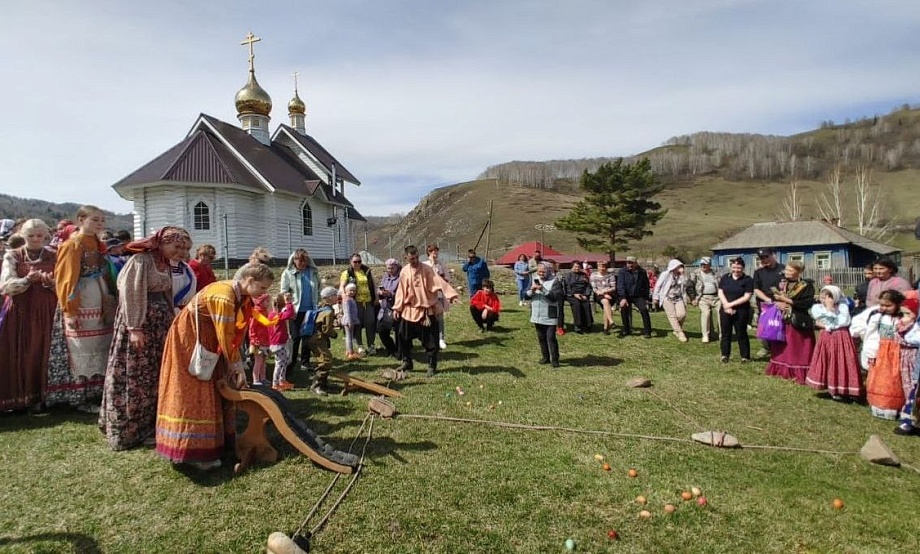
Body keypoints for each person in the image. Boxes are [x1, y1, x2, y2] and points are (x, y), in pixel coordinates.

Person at [155, 264, 273, 470]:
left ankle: (215, 443)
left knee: (213, 388)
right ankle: (193, 452)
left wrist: (234, 363)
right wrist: (236, 365)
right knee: (194, 393)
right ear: (250, 281)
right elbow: (226, 335)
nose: (264, 293)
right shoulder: (224, 296)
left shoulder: (240, 297)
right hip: (190, 344)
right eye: (262, 288)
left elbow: (233, 333)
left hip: (209, 344)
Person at [99, 226, 190, 450]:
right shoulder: (141, 261)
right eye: (177, 246)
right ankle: (130, 429)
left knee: (155, 374)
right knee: (136, 373)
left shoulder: (165, 264)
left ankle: (152, 424)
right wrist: (134, 327)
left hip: (160, 327)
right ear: (162, 242)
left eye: (185, 249)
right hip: (140, 325)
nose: (181, 252)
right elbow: (131, 293)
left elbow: (167, 295)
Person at [46, 205, 116, 412]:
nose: (100, 224)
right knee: (81, 347)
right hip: (82, 297)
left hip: (99, 296)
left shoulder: (97, 244)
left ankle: (97, 392)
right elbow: (66, 279)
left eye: (102, 220)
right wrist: (70, 310)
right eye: (95, 220)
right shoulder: (73, 245)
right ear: (81, 220)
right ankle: (80, 395)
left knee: (99, 343)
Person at [0, 219, 56, 412]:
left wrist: (50, 282)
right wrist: (26, 280)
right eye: (31, 236)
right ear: (23, 236)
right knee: (22, 351)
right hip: (21, 310)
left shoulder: (54, 255)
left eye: (39, 235)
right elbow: (5, 285)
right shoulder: (13, 255)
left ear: (46, 235)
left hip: (47, 310)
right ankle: (20, 397)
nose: (35, 239)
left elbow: (67, 284)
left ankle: (44, 397)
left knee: (44, 350)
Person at [392, 245, 459, 377]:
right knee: (402, 337)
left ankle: (431, 365)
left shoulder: (427, 269)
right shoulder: (405, 271)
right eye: (412, 259)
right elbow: (401, 291)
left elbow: (439, 282)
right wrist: (397, 308)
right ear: (406, 258)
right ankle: (407, 362)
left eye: (417, 257)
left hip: (426, 312)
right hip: (409, 310)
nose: (415, 260)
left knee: (431, 341)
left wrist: (451, 295)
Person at [851, 290, 915, 420]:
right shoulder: (878, 317)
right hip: (882, 352)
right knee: (880, 379)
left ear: (897, 304)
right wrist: (870, 352)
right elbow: (872, 335)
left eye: (888, 305)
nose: (884, 308)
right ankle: (880, 406)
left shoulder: (903, 318)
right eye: (882, 305)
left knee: (895, 379)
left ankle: (896, 406)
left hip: (898, 352)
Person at [805, 285, 862, 401]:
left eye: (828, 297)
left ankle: (845, 388)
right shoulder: (817, 307)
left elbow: (841, 322)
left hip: (841, 336)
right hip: (826, 338)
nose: (825, 299)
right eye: (822, 296)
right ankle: (831, 387)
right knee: (829, 360)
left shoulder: (843, 307)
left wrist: (830, 311)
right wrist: (828, 315)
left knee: (842, 360)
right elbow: (820, 320)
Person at [764, 261, 816, 385]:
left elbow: (807, 303)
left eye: (790, 270)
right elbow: (772, 296)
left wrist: (788, 302)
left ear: (799, 271)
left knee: (796, 347)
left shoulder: (806, 285)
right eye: (786, 269)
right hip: (783, 319)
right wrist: (778, 303)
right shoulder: (782, 283)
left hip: (798, 320)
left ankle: (798, 372)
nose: (786, 272)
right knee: (782, 346)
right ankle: (780, 368)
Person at [280, 248, 321, 370]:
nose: (303, 264)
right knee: (295, 336)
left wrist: (318, 299)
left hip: (311, 309)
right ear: (294, 261)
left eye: (305, 261)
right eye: (300, 262)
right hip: (295, 310)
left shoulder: (313, 272)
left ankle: (305, 362)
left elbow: (319, 287)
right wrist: (287, 297)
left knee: (307, 336)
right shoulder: (288, 273)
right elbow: (283, 290)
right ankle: (291, 362)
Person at [339, 253, 378, 355]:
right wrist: (344, 298)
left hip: (368, 301)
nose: (357, 263)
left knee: (370, 323)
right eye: (355, 262)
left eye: (359, 261)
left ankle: (371, 345)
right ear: (351, 262)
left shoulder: (366, 271)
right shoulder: (347, 273)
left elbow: (373, 284)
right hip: (355, 303)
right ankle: (360, 346)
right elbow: (342, 286)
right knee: (357, 324)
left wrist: (376, 297)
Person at [717, 257, 754, 363]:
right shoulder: (725, 278)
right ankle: (725, 355)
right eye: (734, 267)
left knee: (741, 333)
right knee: (725, 333)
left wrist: (730, 305)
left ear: (743, 268)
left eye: (739, 268)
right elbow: (720, 292)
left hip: (741, 310)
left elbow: (746, 297)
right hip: (725, 309)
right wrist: (726, 305)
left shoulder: (747, 280)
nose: (736, 270)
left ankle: (745, 357)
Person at [527, 261, 563, 367]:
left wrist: (542, 289)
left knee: (551, 337)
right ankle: (545, 357)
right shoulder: (534, 279)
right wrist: (531, 291)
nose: (541, 274)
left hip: (549, 314)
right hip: (536, 314)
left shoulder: (555, 281)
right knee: (541, 337)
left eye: (543, 271)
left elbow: (554, 297)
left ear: (548, 271)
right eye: (539, 271)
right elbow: (526, 295)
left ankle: (555, 359)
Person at [307, 286, 340, 395]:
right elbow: (326, 329)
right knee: (325, 361)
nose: (337, 297)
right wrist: (334, 334)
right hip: (318, 339)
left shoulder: (321, 307)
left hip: (314, 338)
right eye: (335, 295)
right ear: (329, 298)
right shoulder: (328, 312)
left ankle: (324, 384)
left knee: (326, 360)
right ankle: (317, 386)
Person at [652, 259, 689, 342]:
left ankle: (676, 329)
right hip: (667, 297)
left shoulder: (681, 276)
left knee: (682, 314)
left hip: (678, 297)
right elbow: (658, 285)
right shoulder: (665, 274)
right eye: (679, 266)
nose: (680, 268)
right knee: (672, 316)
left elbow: (686, 284)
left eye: (681, 266)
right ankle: (680, 333)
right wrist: (655, 297)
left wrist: (682, 275)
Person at [423, 244, 451, 349]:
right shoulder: (424, 264)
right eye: (432, 251)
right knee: (429, 317)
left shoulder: (441, 264)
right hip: (429, 295)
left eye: (436, 251)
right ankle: (430, 338)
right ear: (428, 253)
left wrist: (442, 277)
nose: (434, 253)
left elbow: (447, 278)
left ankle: (441, 338)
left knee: (439, 318)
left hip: (439, 295)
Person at [617, 256, 652, 338]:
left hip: (638, 296)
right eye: (628, 263)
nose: (630, 264)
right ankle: (626, 330)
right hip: (626, 295)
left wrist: (646, 298)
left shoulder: (642, 272)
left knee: (644, 309)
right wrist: (623, 297)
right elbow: (620, 285)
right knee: (624, 308)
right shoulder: (622, 272)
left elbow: (646, 285)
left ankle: (647, 332)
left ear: (636, 263)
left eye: (632, 263)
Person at [268, 293, 296, 392]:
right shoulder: (277, 315)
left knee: (283, 362)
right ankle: (275, 383)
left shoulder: (271, 314)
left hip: (278, 342)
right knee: (279, 363)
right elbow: (290, 314)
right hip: (277, 343)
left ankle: (282, 381)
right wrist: (289, 303)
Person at [376, 258, 401, 359]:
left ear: (397, 268)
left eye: (392, 268)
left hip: (397, 307)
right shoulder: (385, 277)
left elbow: (402, 293)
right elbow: (381, 287)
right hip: (385, 308)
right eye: (388, 268)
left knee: (399, 332)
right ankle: (391, 348)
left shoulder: (401, 278)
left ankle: (400, 352)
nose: (390, 270)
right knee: (381, 330)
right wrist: (380, 292)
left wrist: (390, 294)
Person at [693, 257, 721, 343]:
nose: (704, 266)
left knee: (721, 313)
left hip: (716, 297)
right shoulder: (696, 273)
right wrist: (693, 298)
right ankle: (705, 335)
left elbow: (721, 284)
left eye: (706, 264)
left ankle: (722, 334)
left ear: (710, 265)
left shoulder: (715, 273)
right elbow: (689, 285)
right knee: (706, 314)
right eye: (702, 264)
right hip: (703, 297)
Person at [247, 294, 273, 385]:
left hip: (265, 340)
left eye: (268, 301)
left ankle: (263, 378)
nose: (268, 303)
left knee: (264, 361)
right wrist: (253, 338)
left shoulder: (265, 312)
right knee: (258, 361)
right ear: (260, 302)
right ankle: (256, 380)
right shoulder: (256, 312)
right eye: (266, 301)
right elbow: (252, 327)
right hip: (258, 341)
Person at [564, 262, 594, 334]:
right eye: (575, 267)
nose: (577, 268)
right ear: (572, 267)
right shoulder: (569, 275)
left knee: (586, 304)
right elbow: (567, 286)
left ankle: (588, 325)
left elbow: (588, 286)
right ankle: (578, 325)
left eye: (578, 267)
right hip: (571, 295)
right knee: (576, 304)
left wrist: (586, 295)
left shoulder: (584, 275)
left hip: (583, 294)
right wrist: (574, 294)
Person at [590, 259, 617, 335]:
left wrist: (605, 292)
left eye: (603, 266)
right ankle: (611, 321)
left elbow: (613, 287)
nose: (602, 268)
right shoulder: (593, 275)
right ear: (597, 267)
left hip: (610, 294)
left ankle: (606, 329)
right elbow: (594, 288)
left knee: (606, 306)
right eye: (600, 266)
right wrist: (603, 294)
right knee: (605, 301)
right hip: (598, 295)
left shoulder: (611, 275)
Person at [169, 237, 196, 314]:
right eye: (179, 247)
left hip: (183, 312)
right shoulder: (160, 268)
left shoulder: (187, 268)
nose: (184, 252)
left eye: (187, 249)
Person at [341, 282, 361, 360]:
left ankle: (348, 350)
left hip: (351, 320)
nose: (352, 292)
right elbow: (347, 311)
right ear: (346, 291)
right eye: (350, 290)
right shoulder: (347, 300)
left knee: (349, 335)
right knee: (349, 336)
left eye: (354, 291)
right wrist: (350, 321)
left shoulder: (350, 299)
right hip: (349, 320)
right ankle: (350, 352)